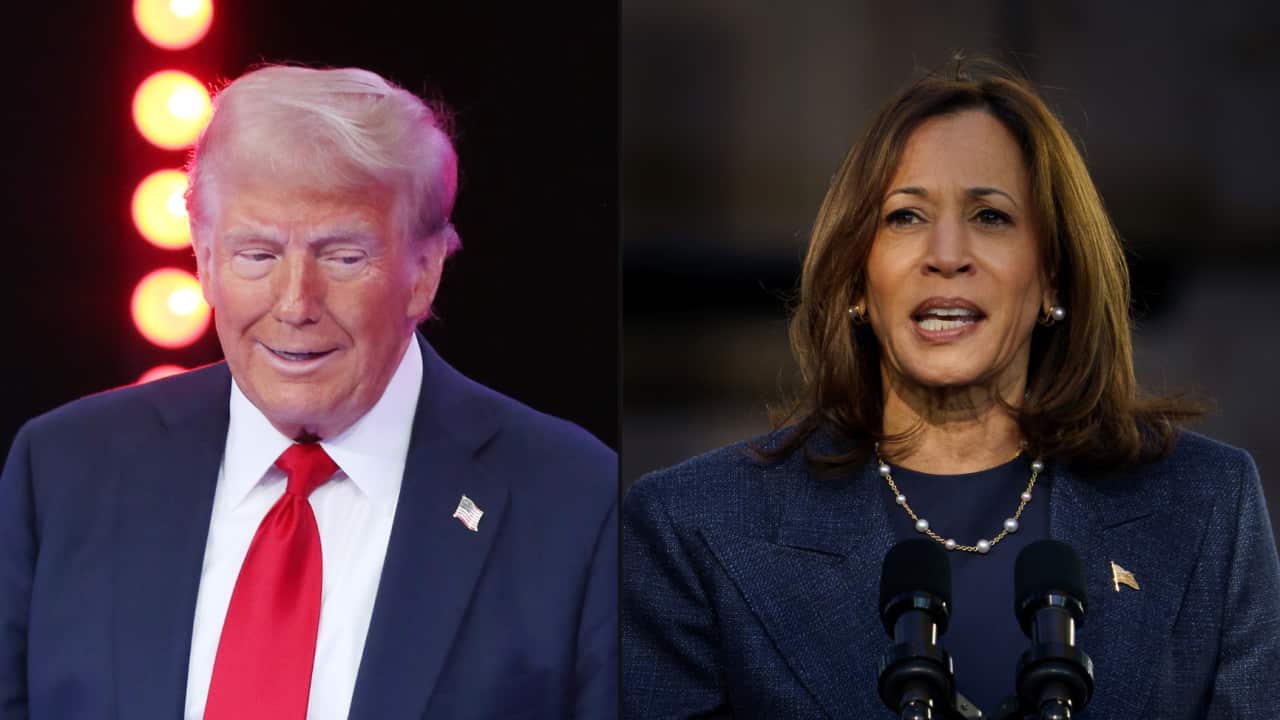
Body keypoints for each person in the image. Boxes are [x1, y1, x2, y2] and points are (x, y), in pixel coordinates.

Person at [622, 57, 1280, 719]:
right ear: (856, 279)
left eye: (990, 217)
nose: (946, 253)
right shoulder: (692, 531)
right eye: (905, 217)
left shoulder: (1206, 511)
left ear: (1053, 276)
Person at [0, 65, 617, 720]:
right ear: (205, 261)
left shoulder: (575, 502)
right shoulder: (62, 472)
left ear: (424, 272)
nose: (295, 304)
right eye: (258, 254)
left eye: (342, 257)